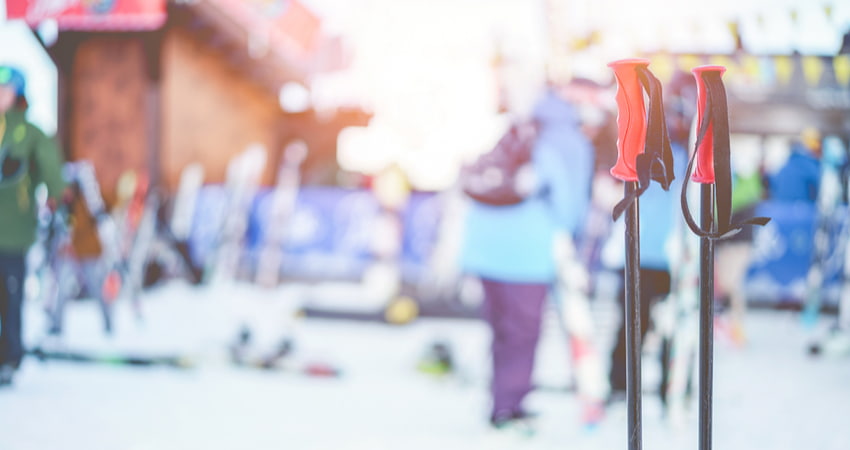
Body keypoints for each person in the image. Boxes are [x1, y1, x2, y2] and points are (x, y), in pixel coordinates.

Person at [459, 81, 594, 428]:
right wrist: (574, 244)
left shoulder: (513, 132)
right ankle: (508, 407)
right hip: (527, 255)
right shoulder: (568, 142)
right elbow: (569, 202)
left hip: (484, 249)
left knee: (502, 330)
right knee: (523, 333)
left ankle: (502, 400)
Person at [0, 65, 68, 386]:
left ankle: (10, 356)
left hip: (13, 231)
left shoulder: (29, 133)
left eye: (5, 90)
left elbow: (51, 169)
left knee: (10, 297)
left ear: (18, 94)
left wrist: (59, 197)